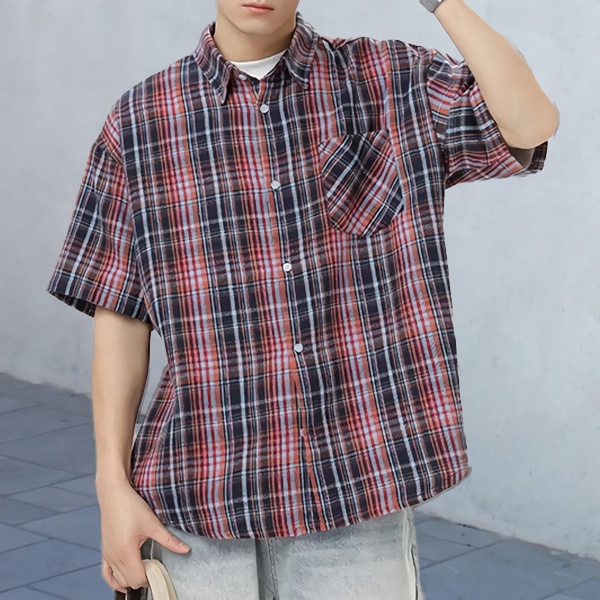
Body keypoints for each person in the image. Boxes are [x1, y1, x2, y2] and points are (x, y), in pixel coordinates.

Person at [46, 0, 558, 598]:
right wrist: (112, 488)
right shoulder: (139, 122)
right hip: (199, 492)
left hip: (355, 490)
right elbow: (119, 319)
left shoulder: (392, 78)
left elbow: (530, 124)